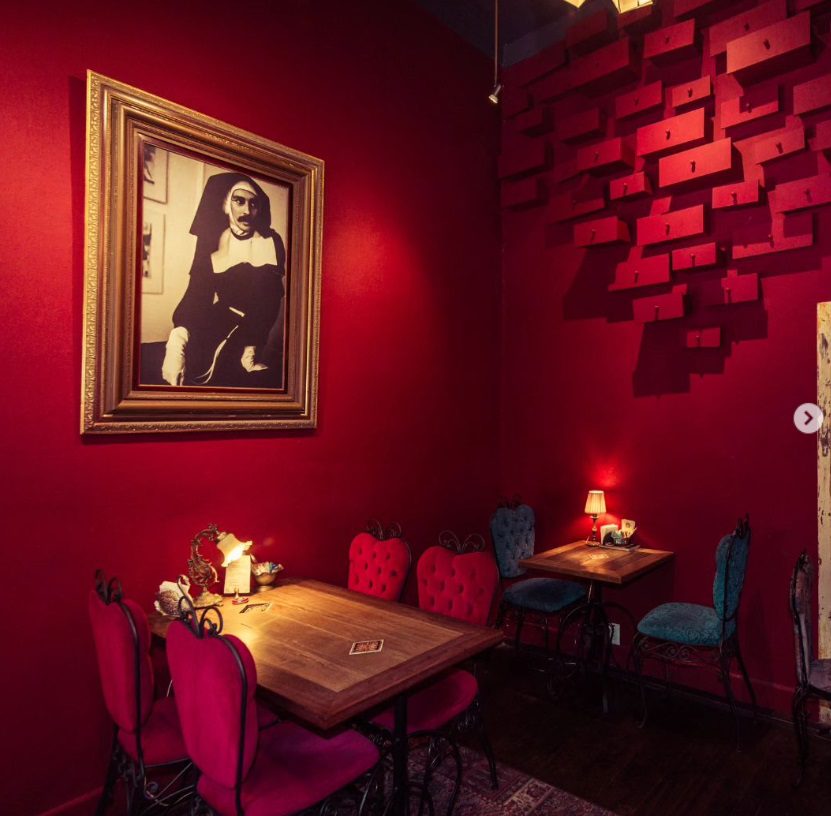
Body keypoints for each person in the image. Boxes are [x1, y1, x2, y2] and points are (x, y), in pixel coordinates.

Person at [161, 172, 286, 388]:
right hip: (217, 321)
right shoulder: (211, 242)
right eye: (239, 201)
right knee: (186, 373)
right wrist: (176, 343)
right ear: (226, 204)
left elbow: (271, 300)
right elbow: (197, 294)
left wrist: (251, 347)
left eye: (253, 204)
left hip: (255, 331)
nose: (247, 211)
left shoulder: (271, 241)